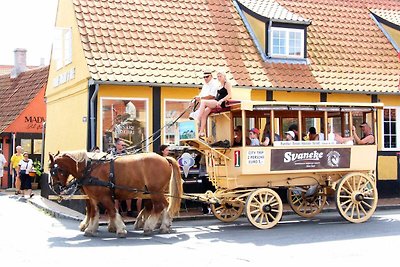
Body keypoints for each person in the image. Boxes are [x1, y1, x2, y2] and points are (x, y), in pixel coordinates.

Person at [197, 70, 232, 137]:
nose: (219, 78)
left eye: (220, 76)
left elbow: (229, 95)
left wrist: (222, 100)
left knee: (203, 101)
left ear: (224, 76)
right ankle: (201, 132)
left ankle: (197, 119)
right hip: (216, 101)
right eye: (218, 76)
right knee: (204, 114)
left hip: (220, 102)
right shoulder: (219, 85)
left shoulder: (227, 83)